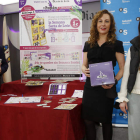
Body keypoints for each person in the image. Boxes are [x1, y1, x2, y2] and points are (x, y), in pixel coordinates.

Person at [81, 9, 125, 140]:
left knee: (106, 121)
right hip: (90, 87)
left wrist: (114, 81)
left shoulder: (117, 44)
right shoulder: (88, 44)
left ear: (111, 25)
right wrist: (83, 69)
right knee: (88, 120)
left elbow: (122, 68)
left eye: (107, 21)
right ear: (96, 24)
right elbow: (84, 64)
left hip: (107, 87)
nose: (103, 24)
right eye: (100, 21)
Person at [116, 21, 140, 140]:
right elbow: (126, 74)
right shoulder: (134, 47)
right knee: (135, 132)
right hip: (135, 95)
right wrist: (123, 98)